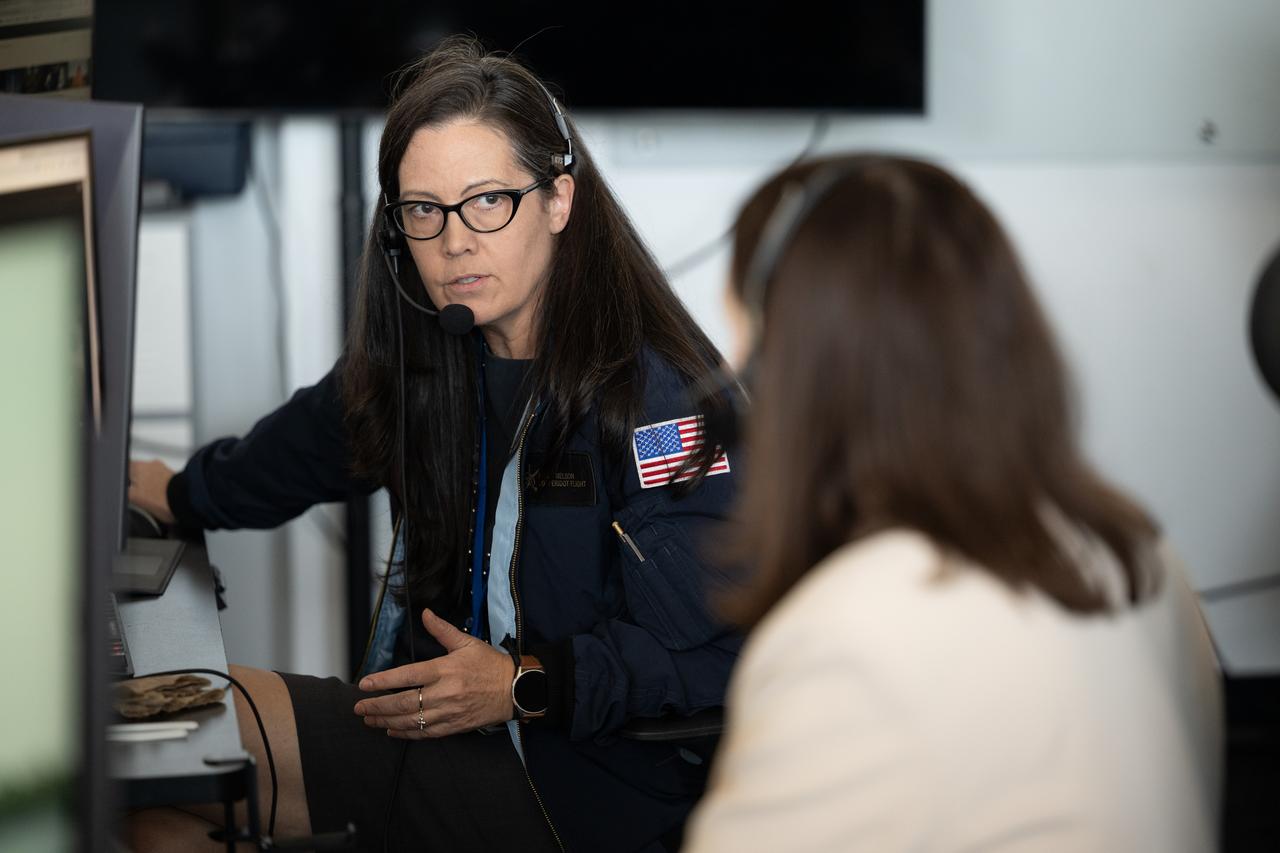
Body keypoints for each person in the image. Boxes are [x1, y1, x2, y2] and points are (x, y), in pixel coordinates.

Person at [129, 37, 740, 853]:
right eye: (424, 210)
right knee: (153, 758)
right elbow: (302, 447)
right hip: (449, 738)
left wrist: (526, 683)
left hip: (581, 788)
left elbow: (723, 658)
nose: (454, 241)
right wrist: (172, 493)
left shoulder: (660, 400)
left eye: (488, 201)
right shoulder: (432, 359)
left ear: (559, 201)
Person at [682, 155, 1223, 852]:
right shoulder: (1138, 554)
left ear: (792, 372)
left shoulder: (850, 640)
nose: (731, 378)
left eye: (742, 340)